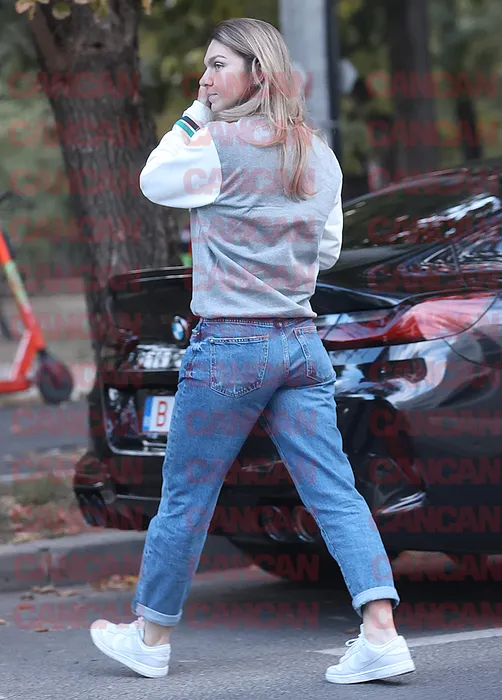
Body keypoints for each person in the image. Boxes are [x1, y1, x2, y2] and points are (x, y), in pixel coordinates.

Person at [89, 17, 415, 684]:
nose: (204, 78)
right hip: (300, 345)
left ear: (256, 73)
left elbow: (153, 180)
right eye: (204, 67)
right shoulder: (317, 154)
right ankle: (381, 632)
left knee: (187, 496)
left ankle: (150, 638)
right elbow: (326, 251)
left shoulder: (212, 144)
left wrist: (194, 116)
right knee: (335, 492)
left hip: (230, 347)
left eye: (218, 65)